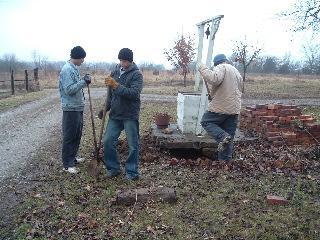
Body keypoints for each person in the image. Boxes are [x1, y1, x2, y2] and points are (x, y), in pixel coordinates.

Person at [100, 48, 143, 180]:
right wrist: (105, 108)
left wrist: (116, 86)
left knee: (132, 145)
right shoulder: (114, 73)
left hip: (130, 114)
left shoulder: (136, 74)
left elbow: (134, 93)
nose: (122, 63)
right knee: (107, 140)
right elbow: (110, 96)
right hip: (116, 114)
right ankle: (113, 168)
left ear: (130, 61)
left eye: (125, 61)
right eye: (120, 60)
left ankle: (132, 172)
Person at [198, 53, 243, 161]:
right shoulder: (236, 71)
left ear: (216, 63)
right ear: (225, 60)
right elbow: (235, 88)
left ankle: (222, 136)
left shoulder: (222, 67)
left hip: (222, 107)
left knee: (206, 122)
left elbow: (214, 79)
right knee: (229, 139)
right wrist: (214, 95)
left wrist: (202, 68)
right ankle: (225, 164)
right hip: (234, 109)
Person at [58, 46, 91, 173]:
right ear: (77, 57)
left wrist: (83, 81)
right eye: (82, 58)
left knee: (77, 134)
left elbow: (76, 86)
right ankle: (67, 164)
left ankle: (73, 158)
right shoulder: (67, 70)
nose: (83, 61)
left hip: (77, 107)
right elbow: (69, 90)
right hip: (70, 108)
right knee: (70, 136)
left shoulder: (74, 68)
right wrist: (83, 82)